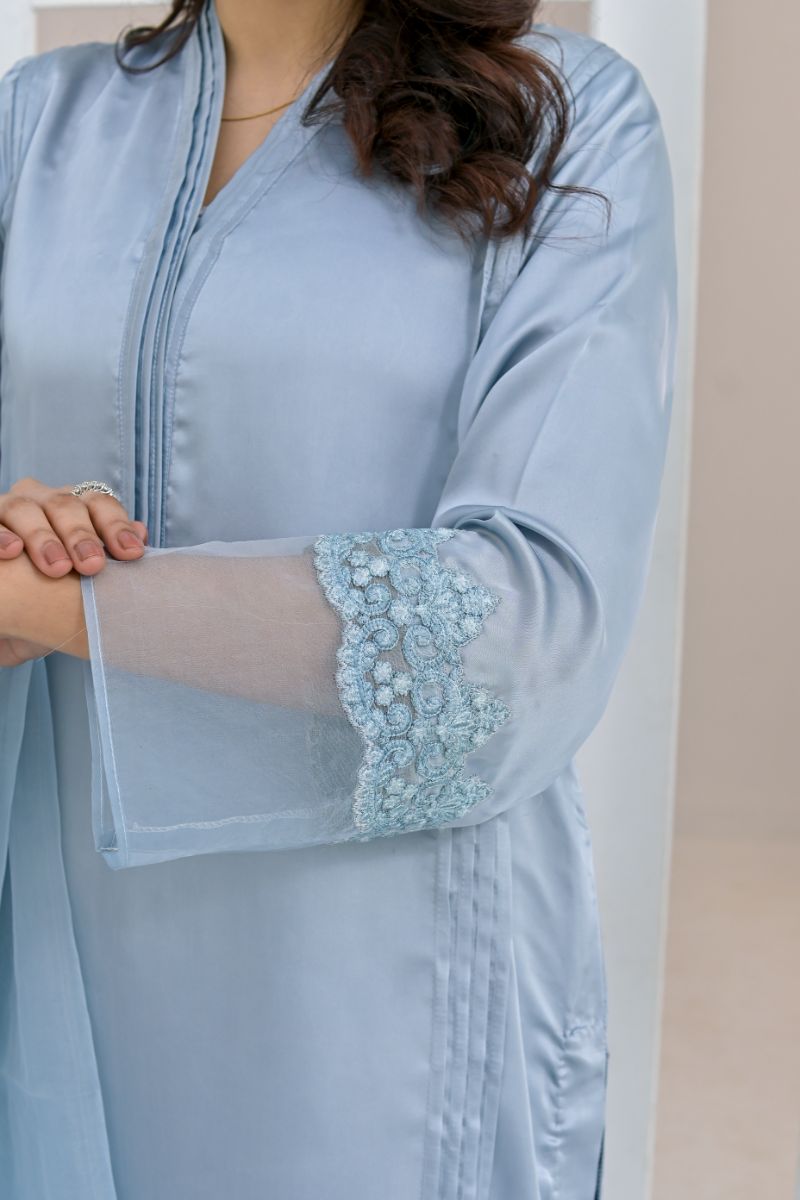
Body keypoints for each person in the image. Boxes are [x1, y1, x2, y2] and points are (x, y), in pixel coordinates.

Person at [0, 0, 677, 1195]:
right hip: (59, 974)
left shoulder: (567, 118)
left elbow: (524, 635)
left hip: (386, 1005)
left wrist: (50, 606)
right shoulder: (38, 125)